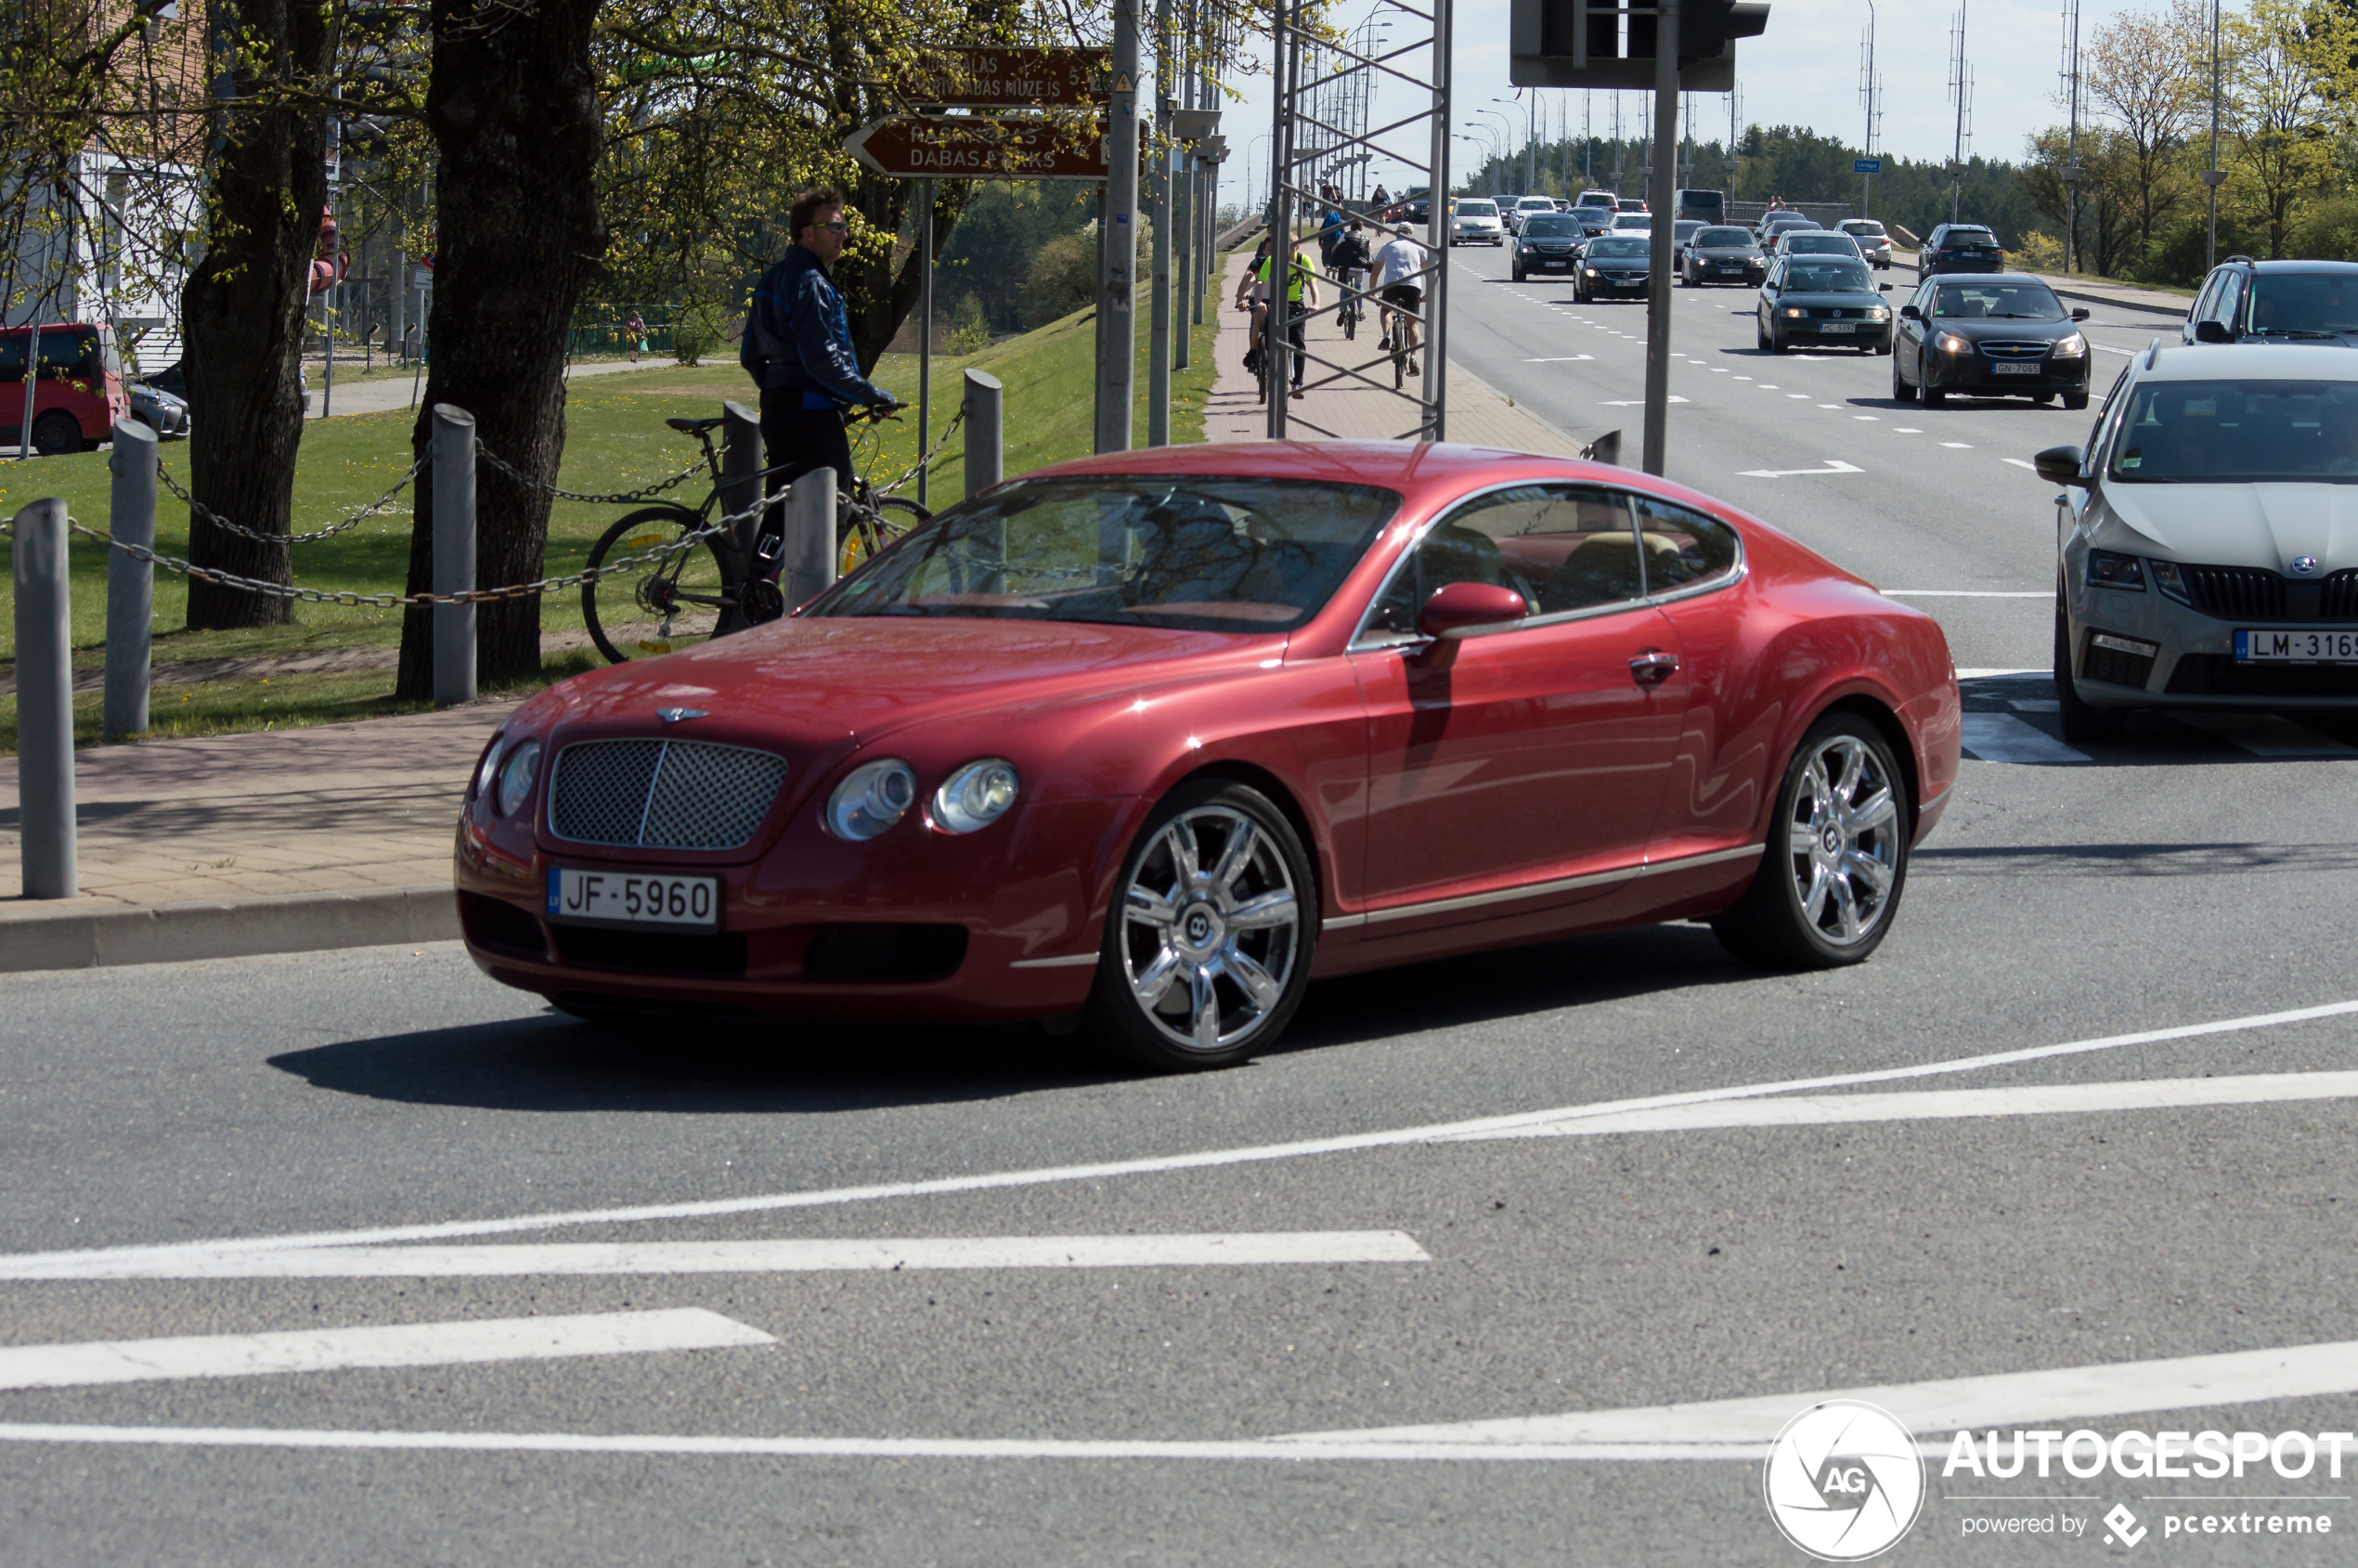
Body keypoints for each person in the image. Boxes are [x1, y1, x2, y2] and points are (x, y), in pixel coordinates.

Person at [742, 187, 900, 506]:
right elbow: (821, 359)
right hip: (812, 420)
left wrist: (778, 388)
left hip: (777, 413)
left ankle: (758, 560)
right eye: (834, 227)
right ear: (807, 233)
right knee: (834, 514)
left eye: (844, 227)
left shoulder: (772, 278)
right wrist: (870, 394)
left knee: (782, 519)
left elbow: (749, 354)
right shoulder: (811, 283)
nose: (843, 235)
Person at [1258, 234, 1321, 400]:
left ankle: (1298, 384)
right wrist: (1259, 302)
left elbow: (1312, 283)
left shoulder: (1304, 261)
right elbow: (1260, 283)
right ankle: (1271, 358)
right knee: (1272, 335)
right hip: (1277, 304)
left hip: (1296, 307)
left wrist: (1316, 303)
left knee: (1299, 343)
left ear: (1297, 247)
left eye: (1290, 247)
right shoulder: (1272, 261)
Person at [1372, 221, 1426, 374]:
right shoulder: (1419, 248)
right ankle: (1413, 358)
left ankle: (1386, 336)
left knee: (1385, 309)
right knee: (1413, 324)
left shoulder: (1388, 246)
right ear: (1411, 234)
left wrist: (1373, 292)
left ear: (1397, 234)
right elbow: (1429, 271)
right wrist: (1428, 293)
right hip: (1413, 286)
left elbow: (1375, 270)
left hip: (1392, 284)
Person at [1328, 219, 1373, 332]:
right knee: (1359, 286)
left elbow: (1334, 249)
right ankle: (1361, 311)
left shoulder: (1345, 236)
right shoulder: (1365, 238)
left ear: (1351, 227)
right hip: (1360, 267)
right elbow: (1369, 252)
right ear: (1361, 228)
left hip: (1347, 267)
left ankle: (1343, 310)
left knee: (1344, 287)